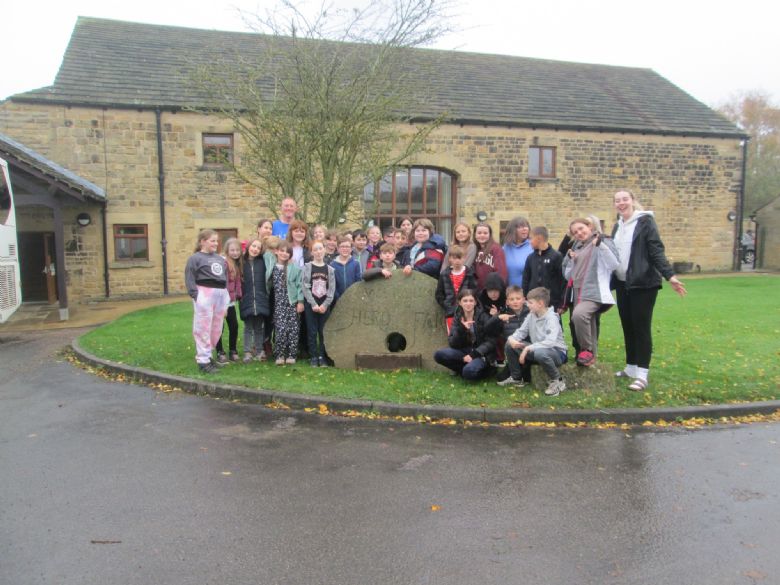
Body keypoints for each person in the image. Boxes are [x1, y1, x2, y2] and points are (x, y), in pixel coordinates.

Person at [611, 189, 686, 391]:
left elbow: (656, 251)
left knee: (641, 328)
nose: (621, 203)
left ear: (633, 201)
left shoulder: (645, 222)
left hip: (643, 284)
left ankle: (642, 374)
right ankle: (631, 367)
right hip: (622, 283)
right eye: (617, 201)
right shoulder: (617, 226)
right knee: (628, 325)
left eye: (625, 199)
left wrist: (670, 276)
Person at [562, 217, 619, 367]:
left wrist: (601, 246)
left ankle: (586, 350)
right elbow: (568, 276)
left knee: (579, 315)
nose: (579, 233)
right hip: (578, 291)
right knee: (589, 322)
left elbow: (614, 264)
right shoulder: (577, 248)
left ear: (589, 226)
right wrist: (570, 260)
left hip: (594, 291)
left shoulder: (603, 240)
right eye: (575, 232)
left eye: (581, 228)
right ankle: (591, 356)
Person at [498, 287, 568, 396]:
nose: (527, 304)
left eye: (530, 302)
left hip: (557, 353)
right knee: (510, 345)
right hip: (537, 350)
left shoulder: (552, 318)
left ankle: (558, 381)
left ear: (540, 303)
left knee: (540, 352)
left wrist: (527, 348)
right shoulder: (531, 315)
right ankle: (516, 378)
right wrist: (511, 339)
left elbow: (550, 342)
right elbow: (520, 332)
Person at [184, 229, 230, 373]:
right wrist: (196, 295)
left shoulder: (220, 259)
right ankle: (203, 361)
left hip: (220, 294)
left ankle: (209, 355)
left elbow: (225, 277)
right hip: (204, 293)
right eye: (212, 240)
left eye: (217, 241)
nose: (215, 243)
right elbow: (190, 277)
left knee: (216, 327)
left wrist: (225, 299)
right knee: (203, 327)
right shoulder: (195, 258)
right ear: (203, 241)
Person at [433, 288, 501, 380]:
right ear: (460, 303)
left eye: (471, 300)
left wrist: (474, 355)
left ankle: (487, 370)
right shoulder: (457, 318)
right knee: (439, 355)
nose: (468, 303)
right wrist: (462, 329)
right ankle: (465, 370)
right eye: (465, 301)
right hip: (464, 351)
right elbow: (453, 343)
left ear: (475, 302)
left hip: (481, 354)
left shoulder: (484, 317)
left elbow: (491, 342)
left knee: (469, 372)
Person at [302, 240, 336, 367]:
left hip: (324, 305)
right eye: (315, 249)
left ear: (324, 250)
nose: (318, 251)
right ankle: (313, 356)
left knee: (323, 331)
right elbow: (305, 287)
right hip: (312, 304)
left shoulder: (330, 269)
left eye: (320, 249)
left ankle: (322, 356)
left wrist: (325, 305)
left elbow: (331, 289)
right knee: (311, 331)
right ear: (312, 252)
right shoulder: (307, 267)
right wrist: (313, 304)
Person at [270, 240, 304, 365]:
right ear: (276, 251)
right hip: (278, 304)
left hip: (292, 302)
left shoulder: (294, 268)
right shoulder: (272, 267)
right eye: (282, 251)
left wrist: (300, 301)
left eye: (287, 252)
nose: (284, 254)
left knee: (293, 329)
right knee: (280, 329)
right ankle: (279, 354)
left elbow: (300, 285)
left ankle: (291, 355)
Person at [239, 237, 270, 363]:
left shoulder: (262, 262)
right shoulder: (241, 262)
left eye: (258, 247)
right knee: (248, 327)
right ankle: (247, 352)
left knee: (259, 327)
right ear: (248, 247)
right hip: (247, 298)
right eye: (253, 246)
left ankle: (259, 350)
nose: (255, 249)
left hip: (261, 298)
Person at [490, 285, 530, 381]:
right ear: (507, 301)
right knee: (500, 379)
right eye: (512, 299)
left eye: (518, 298)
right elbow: (488, 330)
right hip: (512, 351)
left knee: (527, 376)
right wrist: (496, 317)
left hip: (528, 348)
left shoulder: (530, 313)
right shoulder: (504, 314)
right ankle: (515, 373)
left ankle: (521, 374)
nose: (515, 301)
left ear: (524, 299)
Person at [435, 245, 477, 332]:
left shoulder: (469, 273)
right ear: (450, 259)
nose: (457, 261)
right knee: (453, 336)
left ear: (464, 258)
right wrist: (446, 305)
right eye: (454, 258)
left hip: (467, 312)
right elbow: (439, 294)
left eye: (459, 258)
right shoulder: (444, 274)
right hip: (451, 312)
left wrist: (470, 304)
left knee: (469, 335)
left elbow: (474, 291)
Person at [522, 226, 565, 312]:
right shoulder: (530, 258)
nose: (529, 242)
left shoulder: (556, 256)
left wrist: (562, 303)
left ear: (539, 238)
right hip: (533, 302)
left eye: (531, 238)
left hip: (552, 303)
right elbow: (526, 279)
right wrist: (525, 297)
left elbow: (562, 280)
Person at [215, 237, 243, 363]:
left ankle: (233, 350)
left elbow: (237, 281)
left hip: (231, 301)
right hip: (221, 301)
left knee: (234, 325)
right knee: (219, 327)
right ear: (227, 250)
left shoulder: (236, 264)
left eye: (237, 250)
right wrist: (223, 303)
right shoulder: (224, 263)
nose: (235, 252)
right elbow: (223, 283)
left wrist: (238, 294)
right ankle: (220, 351)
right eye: (232, 250)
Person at [473, 222, 507, 293]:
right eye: (479, 233)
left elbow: (501, 272)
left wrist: (496, 289)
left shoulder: (496, 249)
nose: (482, 235)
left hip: (492, 290)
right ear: (475, 235)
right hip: (478, 290)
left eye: (485, 233)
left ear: (490, 235)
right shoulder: (474, 249)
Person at [503, 216, 534, 287]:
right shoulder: (505, 248)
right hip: (509, 293)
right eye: (520, 227)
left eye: (526, 226)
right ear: (512, 230)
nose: (524, 229)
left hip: (528, 292)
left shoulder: (533, 246)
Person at [330, 235, 361, 302]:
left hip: (353, 298)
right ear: (338, 248)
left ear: (351, 249)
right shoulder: (332, 265)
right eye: (342, 247)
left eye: (347, 247)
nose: (345, 249)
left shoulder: (356, 264)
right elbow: (332, 285)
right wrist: (338, 298)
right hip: (337, 300)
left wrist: (354, 295)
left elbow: (358, 282)